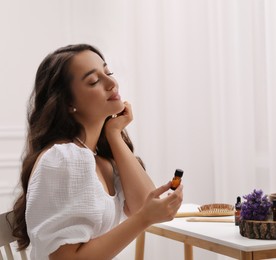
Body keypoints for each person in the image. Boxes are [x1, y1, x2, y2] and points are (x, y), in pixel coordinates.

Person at [10, 44, 183, 259]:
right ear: (68, 103)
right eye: (94, 81)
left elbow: (141, 204)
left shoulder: (99, 158)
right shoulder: (64, 159)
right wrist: (143, 219)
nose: (112, 83)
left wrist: (114, 133)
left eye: (108, 72)